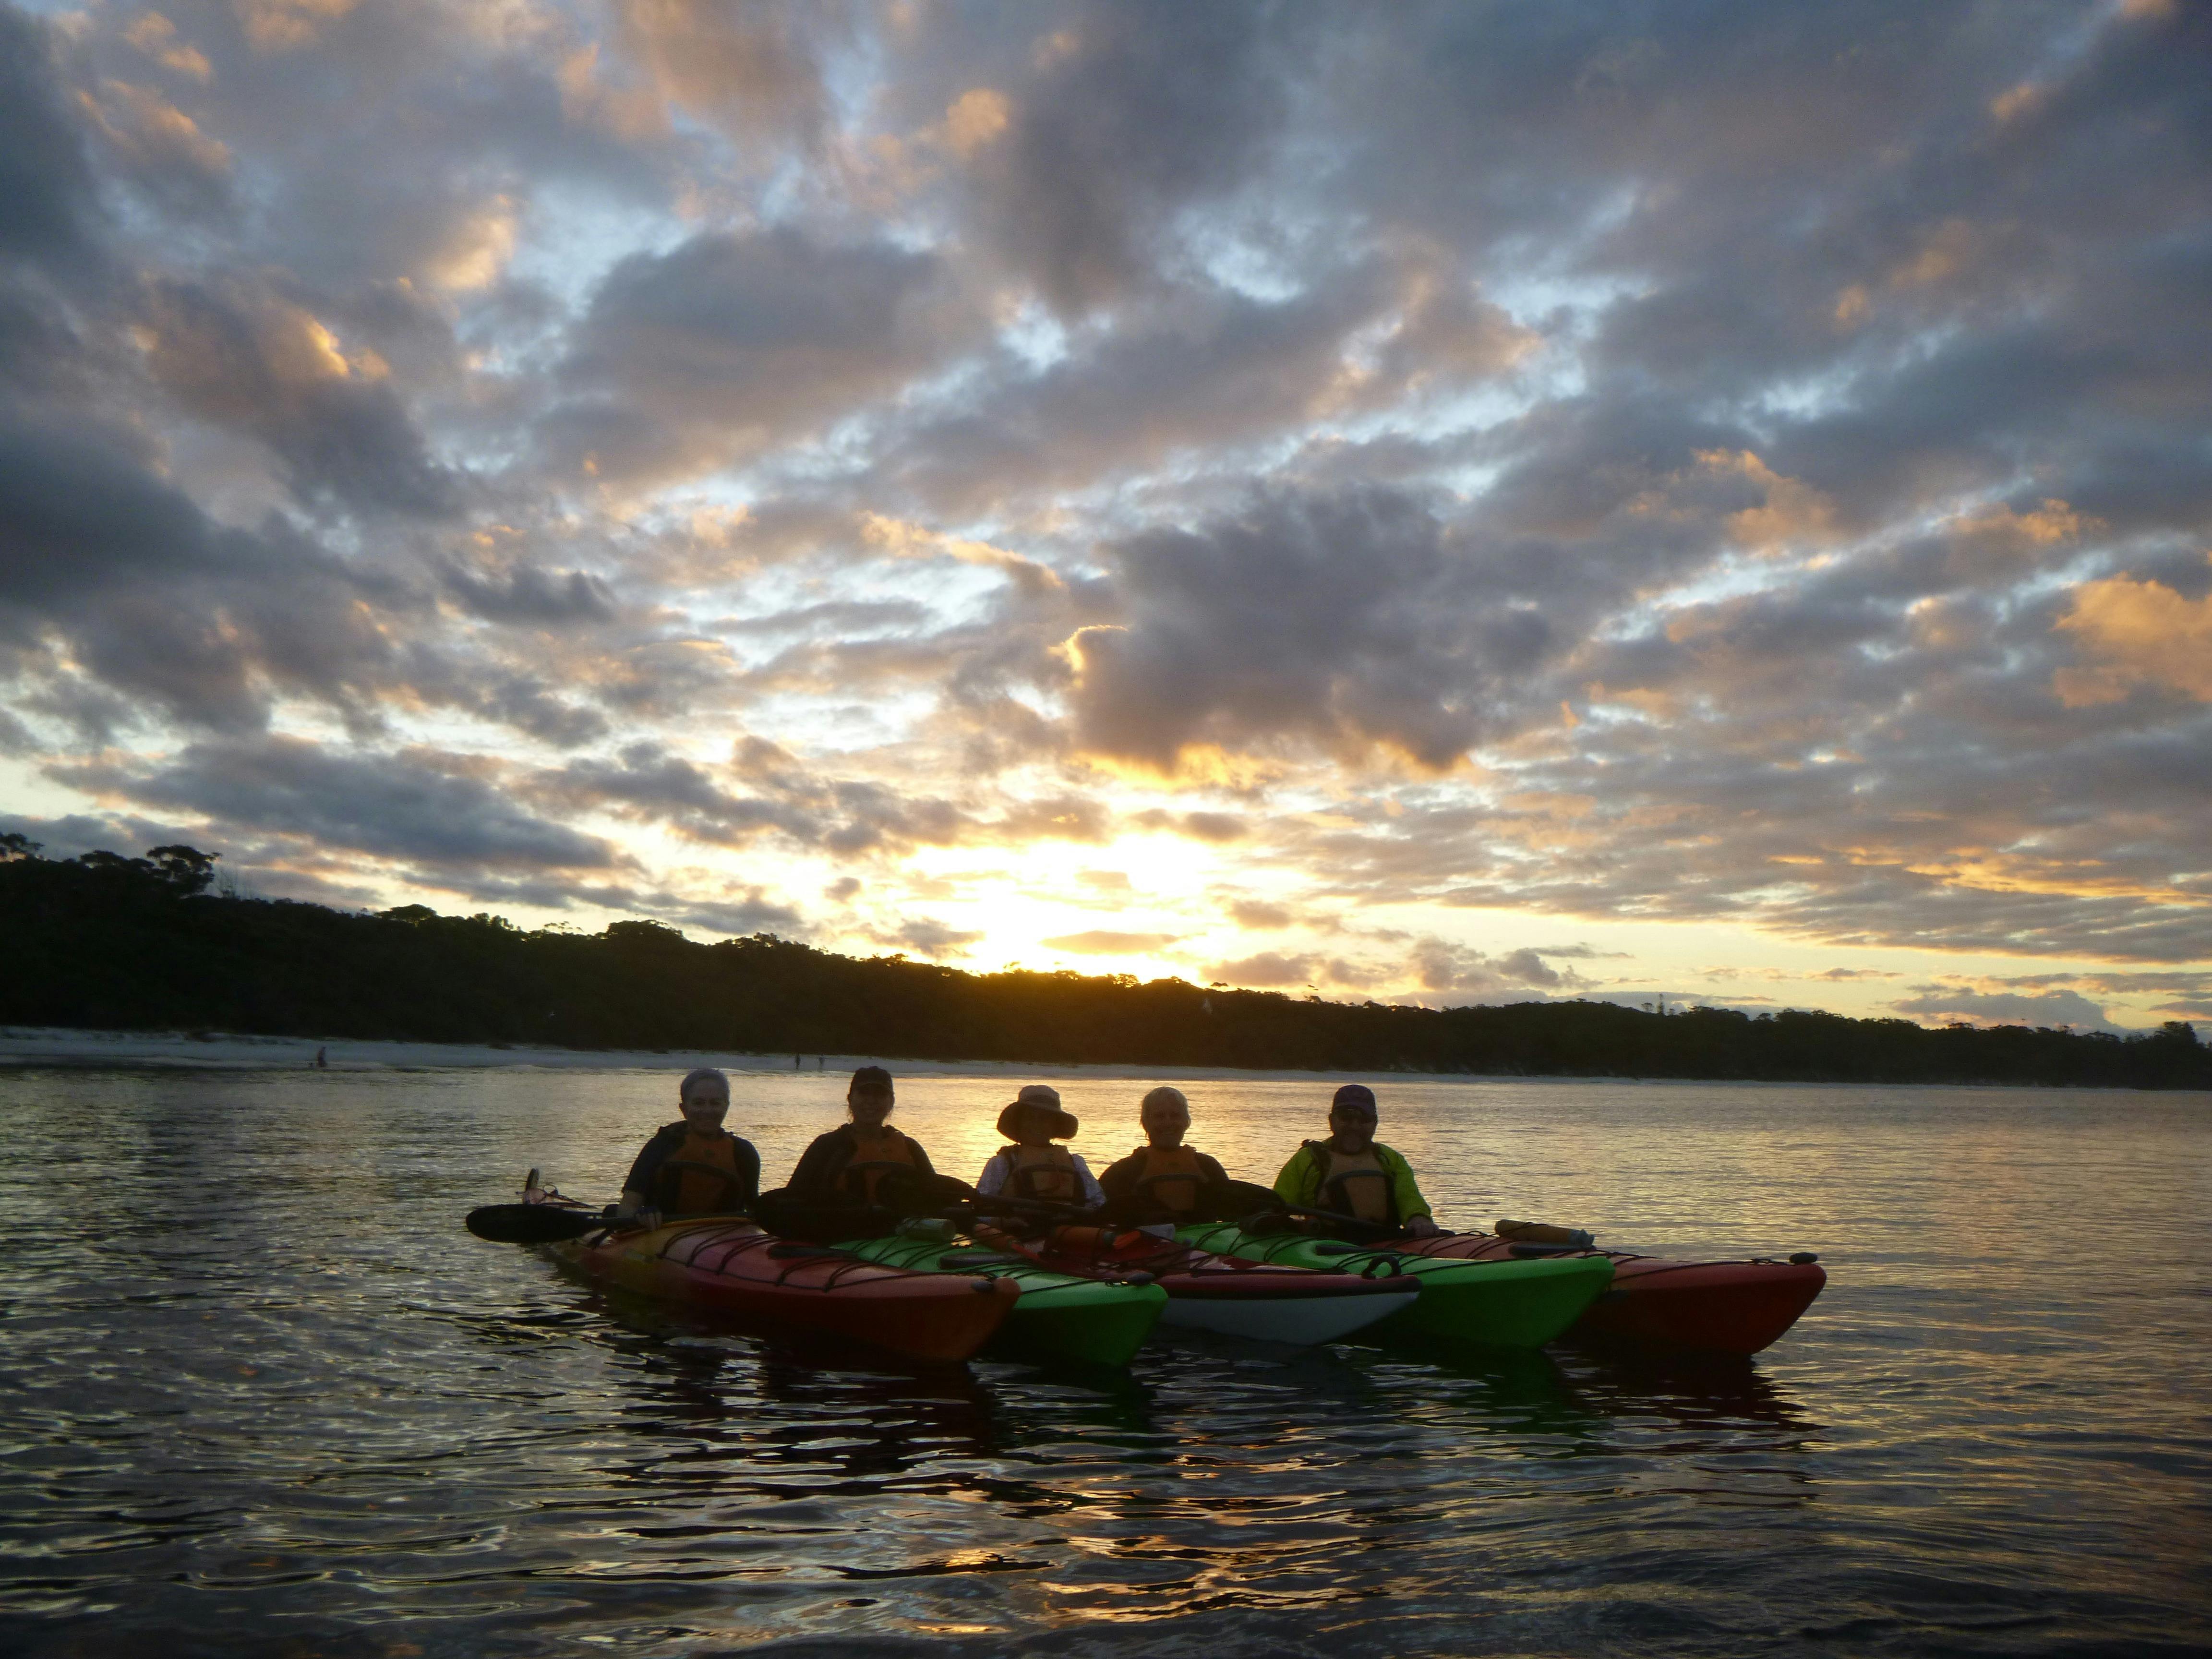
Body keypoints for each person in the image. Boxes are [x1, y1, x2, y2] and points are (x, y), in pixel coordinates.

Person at [1272, 1083, 1442, 1236]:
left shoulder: (1390, 1159)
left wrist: (1418, 1218)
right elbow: (1278, 1206)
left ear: (1375, 1123)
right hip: (1323, 1246)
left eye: (1364, 1119)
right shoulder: (1307, 1159)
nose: (1355, 1126)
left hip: (1385, 1243)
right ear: (1332, 1121)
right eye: (1346, 1117)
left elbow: (1409, 1197)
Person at [616, 1067, 761, 1225]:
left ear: (726, 1106)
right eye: (698, 1103)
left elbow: (755, 1211)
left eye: (715, 1103)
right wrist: (640, 1215)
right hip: (664, 1237)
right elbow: (628, 1207)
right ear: (684, 1109)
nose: (707, 1111)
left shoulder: (743, 1152)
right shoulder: (661, 1146)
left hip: (723, 1239)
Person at [785, 1065, 942, 1208]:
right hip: (841, 1234)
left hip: (901, 1234)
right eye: (864, 1093)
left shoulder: (911, 1148)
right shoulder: (827, 1146)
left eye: (880, 1095)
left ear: (892, 1102)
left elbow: (938, 1197)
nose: (871, 1101)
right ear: (850, 1099)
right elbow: (792, 1199)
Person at [1097, 1086, 1232, 1224]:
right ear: (1145, 1123)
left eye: (1175, 1116)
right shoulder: (1122, 1172)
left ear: (1187, 1122)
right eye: (1159, 1116)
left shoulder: (1209, 1167)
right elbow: (1098, 1216)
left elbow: (1232, 1214)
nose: (1168, 1123)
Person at [976, 1084, 1104, 1207]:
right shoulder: (1002, 1163)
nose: (1036, 1125)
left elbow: (1098, 1203)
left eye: (1044, 1119)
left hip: (1069, 1226)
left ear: (1055, 1126)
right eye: (1030, 1118)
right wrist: (1002, 1221)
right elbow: (982, 1206)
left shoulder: (1076, 1163)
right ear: (1019, 1124)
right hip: (1018, 1227)